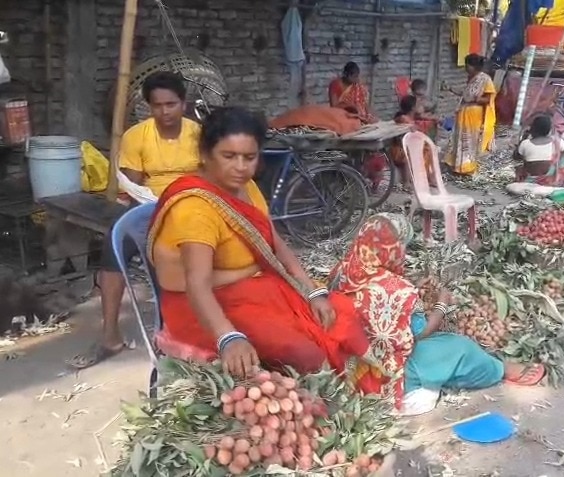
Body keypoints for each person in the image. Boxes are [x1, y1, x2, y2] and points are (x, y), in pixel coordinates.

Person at [146, 106, 373, 378]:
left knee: (338, 315)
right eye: (228, 156)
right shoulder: (195, 209)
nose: (241, 167)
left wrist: (311, 290)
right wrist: (227, 337)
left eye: (249, 157)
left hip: (252, 286)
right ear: (205, 155)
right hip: (202, 306)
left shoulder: (245, 186)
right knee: (305, 354)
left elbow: (274, 243)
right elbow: (197, 285)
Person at [328, 214, 545, 414]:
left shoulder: (343, 269)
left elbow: (370, 298)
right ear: (392, 249)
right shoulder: (398, 290)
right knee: (459, 348)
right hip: (389, 370)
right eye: (401, 246)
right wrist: (442, 304)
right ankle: (501, 370)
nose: (403, 252)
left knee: (447, 344)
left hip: (353, 363)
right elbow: (421, 333)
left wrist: (412, 288)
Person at [69, 72, 201, 369]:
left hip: (192, 206)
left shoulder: (200, 135)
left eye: (171, 104)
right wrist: (138, 196)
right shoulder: (136, 136)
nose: (165, 111)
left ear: (184, 103)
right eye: (158, 105)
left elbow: (209, 177)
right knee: (113, 247)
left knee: (171, 253)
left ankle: (177, 333)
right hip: (150, 206)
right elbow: (133, 185)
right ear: (148, 107)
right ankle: (110, 337)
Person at [444, 54, 497, 175]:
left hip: (474, 116)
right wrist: (451, 89)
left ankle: (468, 168)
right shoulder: (471, 78)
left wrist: (477, 99)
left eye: (468, 66)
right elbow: (465, 94)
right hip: (463, 115)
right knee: (460, 141)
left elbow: (489, 99)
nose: (466, 68)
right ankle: (458, 167)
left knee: (470, 142)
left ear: (474, 66)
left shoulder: (485, 79)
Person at [514, 114, 564, 186]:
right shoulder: (556, 141)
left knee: (520, 165)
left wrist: (523, 138)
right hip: (549, 179)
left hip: (530, 179)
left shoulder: (525, 143)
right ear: (549, 130)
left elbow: (516, 157)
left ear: (532, 129)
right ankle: (562, 178)